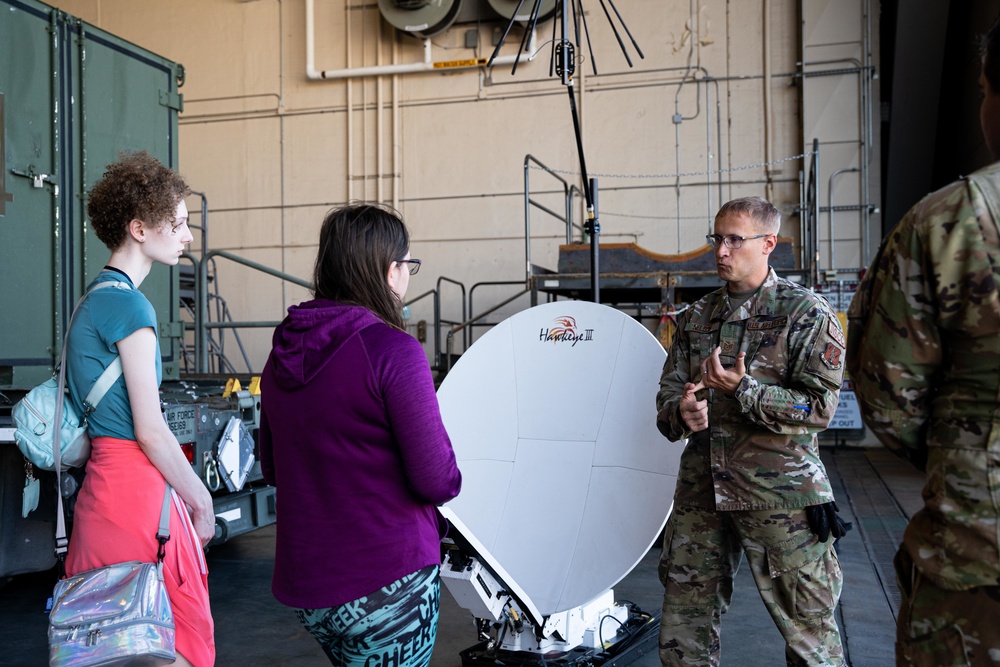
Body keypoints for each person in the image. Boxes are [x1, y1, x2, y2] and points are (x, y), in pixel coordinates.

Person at [846, 19, 1000, 666]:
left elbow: (884, 392)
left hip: (977, 568)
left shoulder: (952, 222)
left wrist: (961, 445)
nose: (721, 251)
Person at [258, 203, 462, 667]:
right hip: (386, 583)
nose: (408, 275)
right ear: (389, 272)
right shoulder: (393, 351)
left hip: (308, 585)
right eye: (407, 265)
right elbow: (436, 480)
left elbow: (272, 466)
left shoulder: (281, 353)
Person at [655, 196, 848, 667]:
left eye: (733, 240)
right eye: (716, 238)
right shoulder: (696, 318)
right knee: (684, 634)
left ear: (768, 244)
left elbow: (820, 406)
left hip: (781, 497)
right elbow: (666, 399)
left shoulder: (806, 314)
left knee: (810, 635)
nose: (721, 250)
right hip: (703, 494)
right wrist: (682, 412)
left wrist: (747, 391)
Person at [65, 151, 216, 666]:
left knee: (104, 645)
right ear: (138, 228)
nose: (187, 236)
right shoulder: (133, 307)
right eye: (178, 223)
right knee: (169, 646)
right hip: (138, 499)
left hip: (97, 502)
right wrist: (200, 499)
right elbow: (150, 431)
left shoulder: (89, 304)